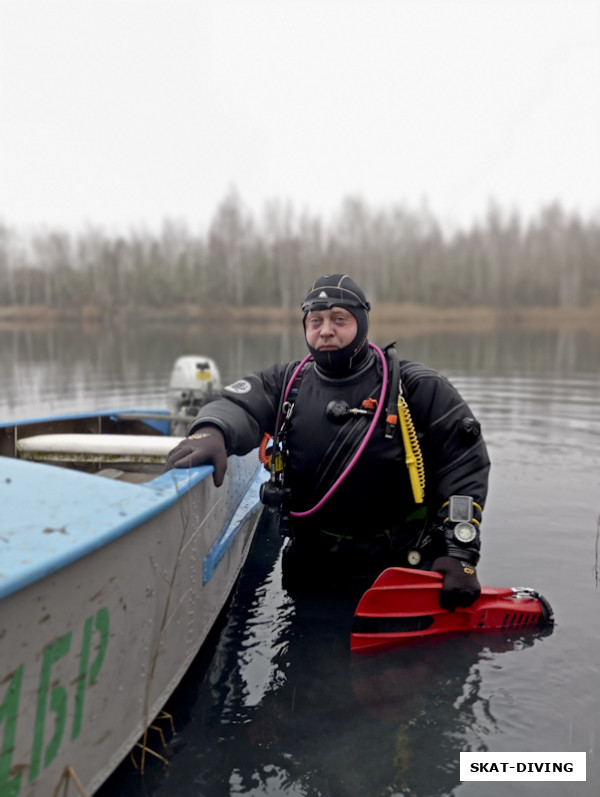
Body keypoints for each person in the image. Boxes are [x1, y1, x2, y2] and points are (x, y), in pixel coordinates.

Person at [165, 274, 490, 610]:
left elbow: (464, 462)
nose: (325, 330)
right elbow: (235, 403)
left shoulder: (416, 386)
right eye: (315, 321)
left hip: (401, 566)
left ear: (362, 323)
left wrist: (460, 552)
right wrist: (212, 431)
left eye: (339, 319)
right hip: (313, 568)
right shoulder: (287, 382)